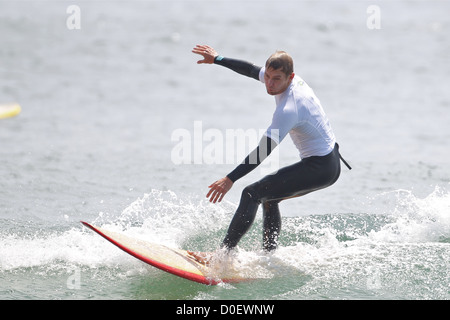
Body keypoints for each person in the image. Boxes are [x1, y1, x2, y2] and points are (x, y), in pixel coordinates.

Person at [191, 44, 351, 256]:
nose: (269, 83)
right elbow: (249, 70)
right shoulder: (284, 80)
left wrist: (230, 179)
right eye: (267, 76)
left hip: (321, 167)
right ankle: (269, 256)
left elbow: (263, 151)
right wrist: (218, 59)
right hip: (327, 160)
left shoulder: (289, 108)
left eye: (276, 79)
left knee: (251, 193)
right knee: (270, 197)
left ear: (290, 77)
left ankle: (222, 256)